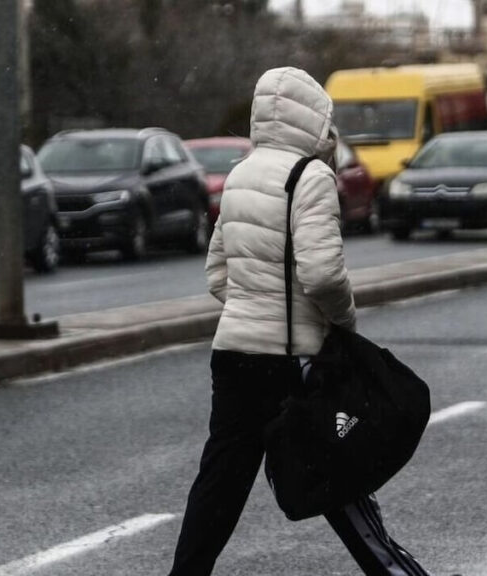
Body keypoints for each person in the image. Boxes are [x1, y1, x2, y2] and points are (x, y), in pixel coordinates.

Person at [168, 67, 432, 576]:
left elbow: (216, 275)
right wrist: (343, 323)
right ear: (313, 118)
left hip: (233, 356)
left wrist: (253, 303)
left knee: (219, 484)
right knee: (340, 477)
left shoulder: (240, 173)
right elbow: (323, 275)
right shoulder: (309, 177)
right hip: (292, 360)